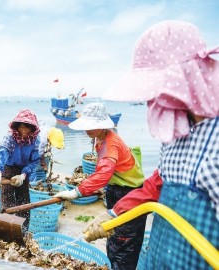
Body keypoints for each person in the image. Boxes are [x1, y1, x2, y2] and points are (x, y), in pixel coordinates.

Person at [84, 20, 219, 270]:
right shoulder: (176, 136)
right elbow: (155, 186)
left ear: (186, 82)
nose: (152, 102)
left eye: (158, 93)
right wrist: (113, 214)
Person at [53, 102, 147, 270]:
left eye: (91, 126)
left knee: (124, 243)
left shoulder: (111, 144)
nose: (87, 130)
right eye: (86, 125)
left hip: (130, 195)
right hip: (117, 190)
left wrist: (76, 192)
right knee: (113, 235)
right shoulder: (101, 138)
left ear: (103, 126)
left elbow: (104, 174)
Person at [0, 109, 41, 231]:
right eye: (21, 127)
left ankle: (22, 231)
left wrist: (23, 175)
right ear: (17, 126)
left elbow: (34, 161)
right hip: (8, 169)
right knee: (7, 203)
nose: (23, 130)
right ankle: (5, 229)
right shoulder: (10, 138)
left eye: (27, 127)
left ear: (32, 128)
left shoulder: (35, 140)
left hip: (24, 171)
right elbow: (1, 154)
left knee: (24, 203)